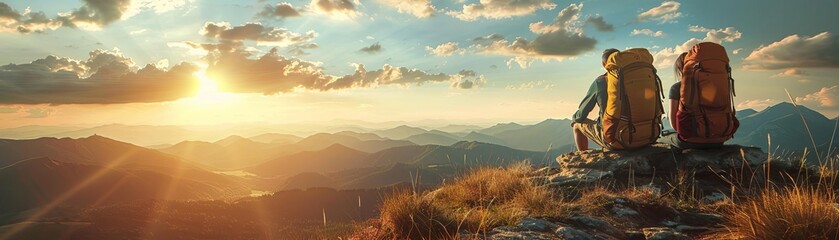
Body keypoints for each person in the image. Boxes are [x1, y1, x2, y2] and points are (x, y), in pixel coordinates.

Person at [658, 52, 724, 149]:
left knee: (661, 140)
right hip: (717, 140)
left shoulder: (677, 88)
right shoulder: (712, 86)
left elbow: (674, 123)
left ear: (681, 69)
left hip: (690, 141)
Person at [571, 48, 620, 151]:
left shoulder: (601, 81)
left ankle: (583, 158)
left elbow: (581, 116)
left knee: (576, 125)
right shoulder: (637, 79)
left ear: (603, 64)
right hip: (646, 136)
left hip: (616, 140)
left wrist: (574, 117)